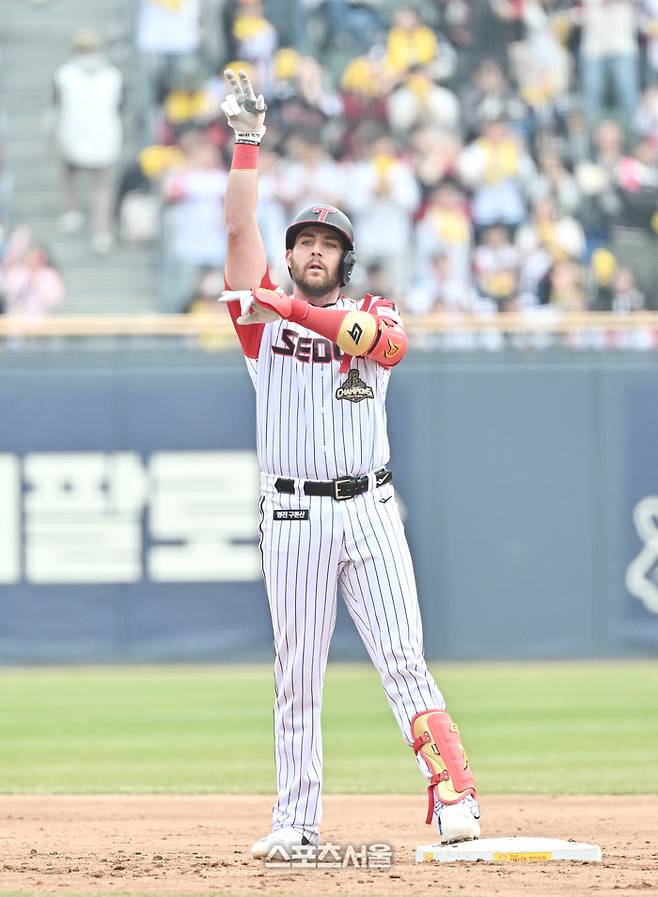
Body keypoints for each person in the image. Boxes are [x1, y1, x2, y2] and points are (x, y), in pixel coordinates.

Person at [216, 68, 481, 859]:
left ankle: (455, 793)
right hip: (293, 509)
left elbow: (382, 345)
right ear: (291, 253)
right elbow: (236, 239)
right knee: (297, 672)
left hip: (368, 506)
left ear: (347, 261)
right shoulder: (259, 324)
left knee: (402, 657)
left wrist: (287, 305)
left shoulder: (370, 313)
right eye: (304, 243)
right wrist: (246, 145)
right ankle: (296, 820)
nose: (315, 253)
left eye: (329, 245)